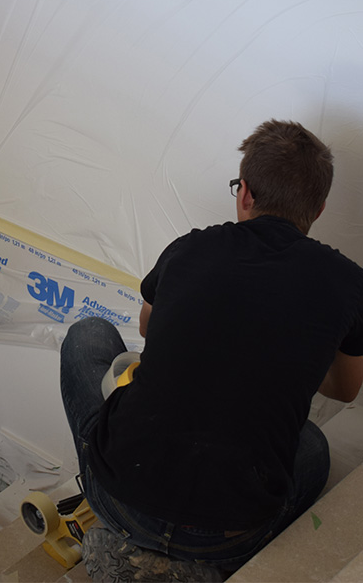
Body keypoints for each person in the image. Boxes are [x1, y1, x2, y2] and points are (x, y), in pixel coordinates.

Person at [61, 120, 363, 581]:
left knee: (88, 335)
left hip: (123, 498)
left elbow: (149, 328)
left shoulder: (190, 248)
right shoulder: (349, 283)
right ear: (318, 210)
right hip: (230, 530)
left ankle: (130, 543)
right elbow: (345, 390)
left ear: (245, 193)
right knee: (313, 450)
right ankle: (207, 566)